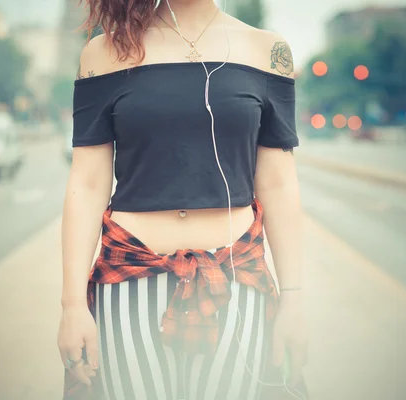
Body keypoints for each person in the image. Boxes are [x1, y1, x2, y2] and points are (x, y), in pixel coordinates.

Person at [57, 0, 308, 398]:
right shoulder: (104, 53)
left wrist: (292, 300)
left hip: (235, 279)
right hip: (130, 280)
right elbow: (87, 184)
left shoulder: (268, 52)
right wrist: (72, 306)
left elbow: (278, 184)